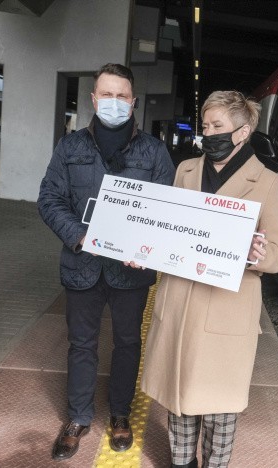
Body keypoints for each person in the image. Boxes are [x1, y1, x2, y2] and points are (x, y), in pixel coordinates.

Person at [140, 90, 278, 468]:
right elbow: (168, 230)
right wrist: (142, 248)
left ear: (242, 131)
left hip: (226, 309)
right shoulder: (186, 170)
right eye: (205, 126)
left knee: (220, 406)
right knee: (178, 396)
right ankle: (181, 463)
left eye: (217, 126)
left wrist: (259, 254)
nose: (209, 134)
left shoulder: (269, 182)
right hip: (179, 301)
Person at [37, 63, 175, 461]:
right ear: (94, 99)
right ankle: (78, 417)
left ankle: (119, 415)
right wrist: (78, 236)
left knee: (128, 342)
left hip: (131, 270)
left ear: (133, 102)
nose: (114, 103)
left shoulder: (154, 151)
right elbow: (49, 199)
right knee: (81, 343)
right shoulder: (70, 147)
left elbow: (165, 210)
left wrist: (145, 247)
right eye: (106, 95)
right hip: (83, 264)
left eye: (121, 96)